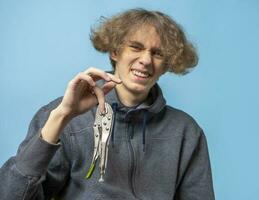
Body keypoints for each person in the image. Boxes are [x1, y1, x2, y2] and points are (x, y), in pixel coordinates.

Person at [0, 8, 215, 200]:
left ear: (167, 65)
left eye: (157, 53)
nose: (146, 60)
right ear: (115, 52)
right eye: (135, 47)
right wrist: (61, 116)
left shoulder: (186, 132)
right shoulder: (65, 118)